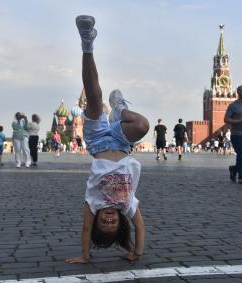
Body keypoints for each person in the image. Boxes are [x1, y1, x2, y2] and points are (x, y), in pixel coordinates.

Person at [66, 15, 148, 264]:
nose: (109, 219)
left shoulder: (93, 203)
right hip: (122, 144)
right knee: (143, 125)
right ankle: (119, 109)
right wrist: (137, 253)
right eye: (113, 223)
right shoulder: (128, 205)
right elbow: (141, 228)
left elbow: (85, 230)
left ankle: (86, 42)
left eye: (105, 223)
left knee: (93, 97)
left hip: (98, 141)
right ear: (121, 223)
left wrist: (85, 256)